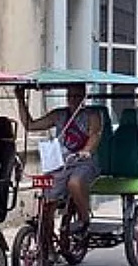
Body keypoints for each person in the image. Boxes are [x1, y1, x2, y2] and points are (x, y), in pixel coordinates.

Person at [14, 84, 103, 241]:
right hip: (61, 163)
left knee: (74, 183)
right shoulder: (59, 115)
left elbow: (94, 135)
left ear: (84, 98)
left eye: (76, 96)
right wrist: (21, 100)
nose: (72, 100)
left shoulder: (92, 115)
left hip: (83, 162)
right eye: (70, 96)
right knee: (47, 202)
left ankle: (84, 219)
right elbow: (30, 125)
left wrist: (87, 150)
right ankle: (47, 241)